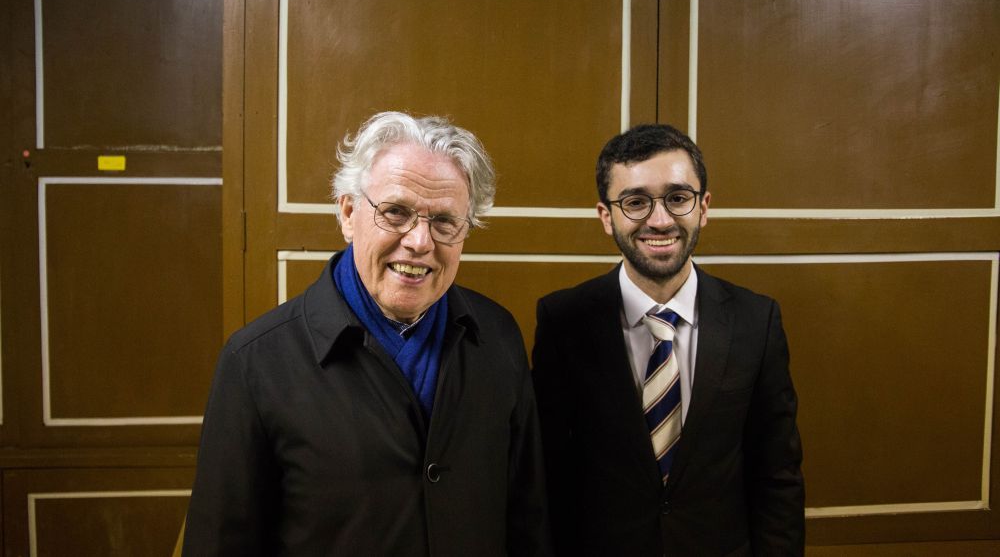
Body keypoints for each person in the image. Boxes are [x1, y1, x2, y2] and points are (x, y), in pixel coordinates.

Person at [184, 112, 550, 555]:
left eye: (444, 221)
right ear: (347, 212)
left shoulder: (498, 335)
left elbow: (528, 521)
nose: (420, 241)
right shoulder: (254, 362)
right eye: (396, 212)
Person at [532, 124, 804, 556]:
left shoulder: (757, 320)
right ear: (606, 216)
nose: (659, 221)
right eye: (635, 202)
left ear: (703, 207)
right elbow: (549, 473)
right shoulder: (563, 321)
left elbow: (777, 474)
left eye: (677, 198)